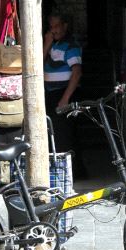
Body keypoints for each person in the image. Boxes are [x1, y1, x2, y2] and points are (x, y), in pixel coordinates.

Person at [43, 14, 82, 155]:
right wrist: (47, 43)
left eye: (57, 26)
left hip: (65, 94)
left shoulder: (70, 45)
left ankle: (74, 172)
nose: (54, 30)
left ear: (65, 26)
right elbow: (36, 65)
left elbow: (77, 72)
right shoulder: (52, 45)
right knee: (55, 135)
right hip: (51, 94)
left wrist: (65, 98)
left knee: (65, 136)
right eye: (51, 27)